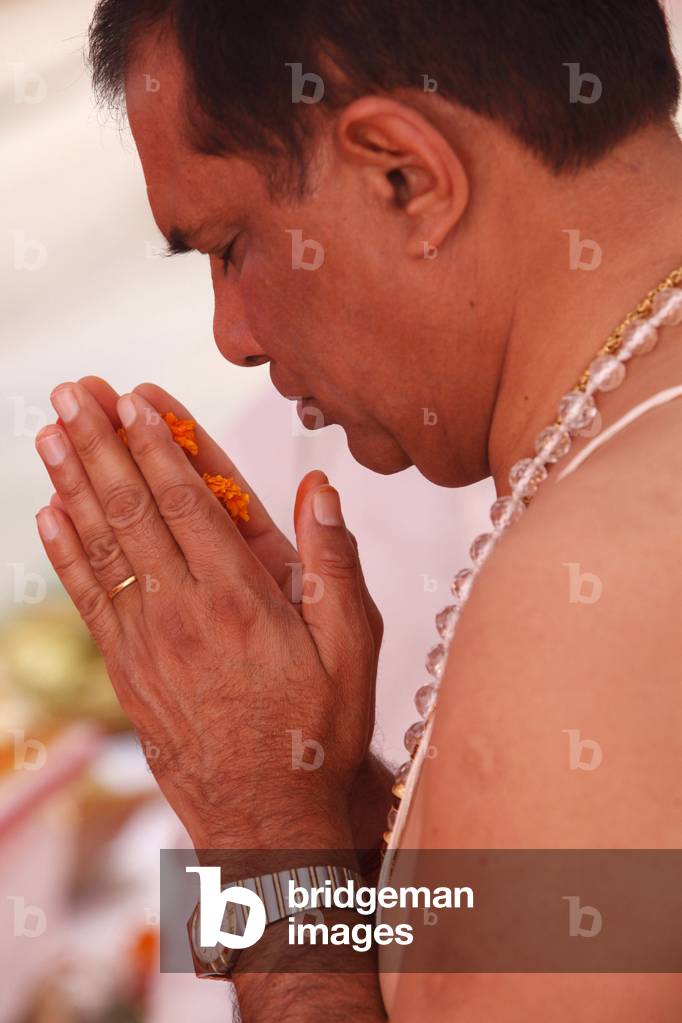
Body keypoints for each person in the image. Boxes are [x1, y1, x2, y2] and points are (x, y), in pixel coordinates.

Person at [34, 2, 682, 1018]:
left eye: (230, 246)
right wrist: (330, 810)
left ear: (403, 175)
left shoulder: (590, 598)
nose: (230, 338)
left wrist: (256, 831)